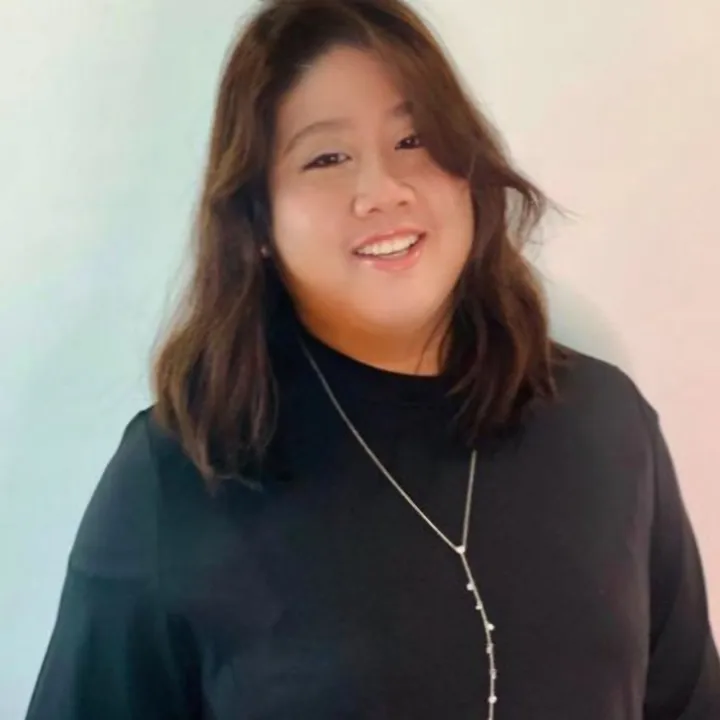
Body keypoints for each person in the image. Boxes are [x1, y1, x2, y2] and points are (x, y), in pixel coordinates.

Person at [26, 0, 720, 718]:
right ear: (256, 219)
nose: (382, 191)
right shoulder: (181, 475)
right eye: (327, 158)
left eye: (414, 139)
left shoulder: (606, 423)